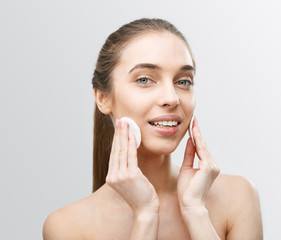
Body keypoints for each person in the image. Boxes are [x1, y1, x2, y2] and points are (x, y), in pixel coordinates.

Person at [43, 18, 263, 239]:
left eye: (184, 81)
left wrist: (196, 211)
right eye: (145, 80)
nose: (171, 98)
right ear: (103, 98)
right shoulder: (67, 227)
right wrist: (146, 215)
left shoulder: (238, 197)